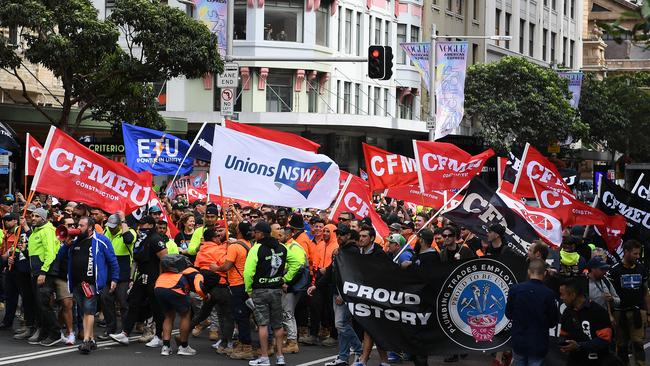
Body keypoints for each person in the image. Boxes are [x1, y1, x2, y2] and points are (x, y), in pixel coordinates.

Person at [59, 217, 119, 354]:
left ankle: (86, 341)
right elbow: (60, 256)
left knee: (88, 311)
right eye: (77, 225)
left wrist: (114, 278)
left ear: (90, 227)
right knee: (83, 312)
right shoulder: (74, 241)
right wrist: (66, 244)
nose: (78, 227)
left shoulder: (101, 240)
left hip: (91, 283)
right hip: (76, 283)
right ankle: (91, 339)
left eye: (81, 225)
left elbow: (113, 260)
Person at [109, 215, 168, 347]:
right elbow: (136, 260)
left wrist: (161, 279)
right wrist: (132, 278)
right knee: (133, 302)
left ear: (151, 225)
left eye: (144, 224)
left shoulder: (155, 239)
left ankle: (159, 336)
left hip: (154, 277)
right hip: (142, 276)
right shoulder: (141, 240)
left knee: (156, 308)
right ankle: (125, 333)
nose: (141, 227)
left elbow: (164, 259)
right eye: (140, 224)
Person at [244, 221, 288, 366]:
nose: (253, 234)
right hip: (276, 289)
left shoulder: (256, 248)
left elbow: (248, 273)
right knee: (278, 324)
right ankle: (280, 357)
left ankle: (264, 357)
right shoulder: (282, 247)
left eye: (255, 232)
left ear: (261, 234)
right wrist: (285, 279)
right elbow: (296, 263)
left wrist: (249, 290)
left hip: (259, 290)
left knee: (263, 325)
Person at [506, 259, 559, 366]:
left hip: (519, 341)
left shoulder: (515, 289)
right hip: (538, 343)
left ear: (529, 272)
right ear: (545, 273)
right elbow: (553, 321)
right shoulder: (548, 294)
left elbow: (508, 314)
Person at [214, 222, 255, 360]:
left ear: (240, 232)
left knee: (240, 315)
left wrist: (215, 268)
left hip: (237, 284)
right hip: (248, 284)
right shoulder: (251, 244)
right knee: (246, 316)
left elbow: (226, 266)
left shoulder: (235, 246)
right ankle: (245, 343)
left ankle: (246, 347)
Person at [193, 224, 234, 354]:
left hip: (208, 288)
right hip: (221, 285)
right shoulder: (219, 250)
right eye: (217, 236)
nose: (219, 237)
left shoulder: (201, 251)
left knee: (204, 315)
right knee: (226, 316)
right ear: (213, 238)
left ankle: (183, 335)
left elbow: (197, 266)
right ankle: (226, 344)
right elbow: (225, 265)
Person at [155, 254, 207, 356]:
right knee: (185, 315)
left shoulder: (165, 272)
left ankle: (165, 347)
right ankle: (184, 347)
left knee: (168, 316)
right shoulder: (193, 271)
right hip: (175, 288)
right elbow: (199, 288)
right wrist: (206, 296)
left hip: (158, 286)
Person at [608, 239, 649, 366]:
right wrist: (610, 314)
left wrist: (648, 313)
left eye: (638, 254)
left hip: (637, 312)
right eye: (635, 254)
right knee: (621, 345)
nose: (637, 257)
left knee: (638, 343)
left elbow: (646, 292)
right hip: (619, 314)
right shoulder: (614, 270)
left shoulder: (642, 269)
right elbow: (608, 295)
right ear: (626, 252)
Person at [353, 226, 390, 366]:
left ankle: (364, 359)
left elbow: (386, 275)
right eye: (360, 236)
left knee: (373, 328)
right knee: (371, 328)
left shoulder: (379, 254)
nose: (360, 238)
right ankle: (383, 361)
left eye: (364, 236)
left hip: (378, 296)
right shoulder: (358, 252)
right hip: (363, 295)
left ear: (372, 238)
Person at [27, 207, 62, 346]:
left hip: (44, 273)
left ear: (43, 218)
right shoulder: (37, 231)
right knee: (40, 304)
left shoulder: (47, 230)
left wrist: (43, 271)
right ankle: (45, 332)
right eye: (32, 215)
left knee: (44, 304)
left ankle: (55, 333)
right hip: (37, 272)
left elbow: (50, 252)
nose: (33, 218)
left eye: (36, 216)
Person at [559, 279, 612, 365]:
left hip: (596, 361)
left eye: (562, 294)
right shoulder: (567, 312)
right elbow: (563, 334)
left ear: (573, 295)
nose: (561, 298)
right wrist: (565, 344)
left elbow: (604, 340)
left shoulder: (598, 311)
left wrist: (579, 346)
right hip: (574, 361)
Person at [100, 212, 135, 340]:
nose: (111, 228)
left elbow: (129, 240)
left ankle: (126, 330)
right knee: (105, 299)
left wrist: (124, 220)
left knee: (123, 302)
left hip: (123, 272)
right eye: (109, 225)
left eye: (114, 225)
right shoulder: (106, 232)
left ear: (120, 225)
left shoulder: (129, 232)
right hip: (108, 273)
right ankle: (110, 328)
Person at [277, 224, 309, 354]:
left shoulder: (295, 247)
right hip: (288, 286)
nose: (279, 237)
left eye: (281, 235)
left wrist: (287, 283)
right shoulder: (287, 246)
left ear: (289, 235)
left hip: (291, 287)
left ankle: (292, 342)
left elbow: (299, 268)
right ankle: (289, 339)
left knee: (288, 313)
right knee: (286, 312)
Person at [587, 256, 619, 323]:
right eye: (602, 269)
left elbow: (618, 301)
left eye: (605, 269)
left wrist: (612, 299)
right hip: (589, 321)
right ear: (593, 269)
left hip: (605, 321)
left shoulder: (606, 280)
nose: (604, 271)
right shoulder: (584, 283)